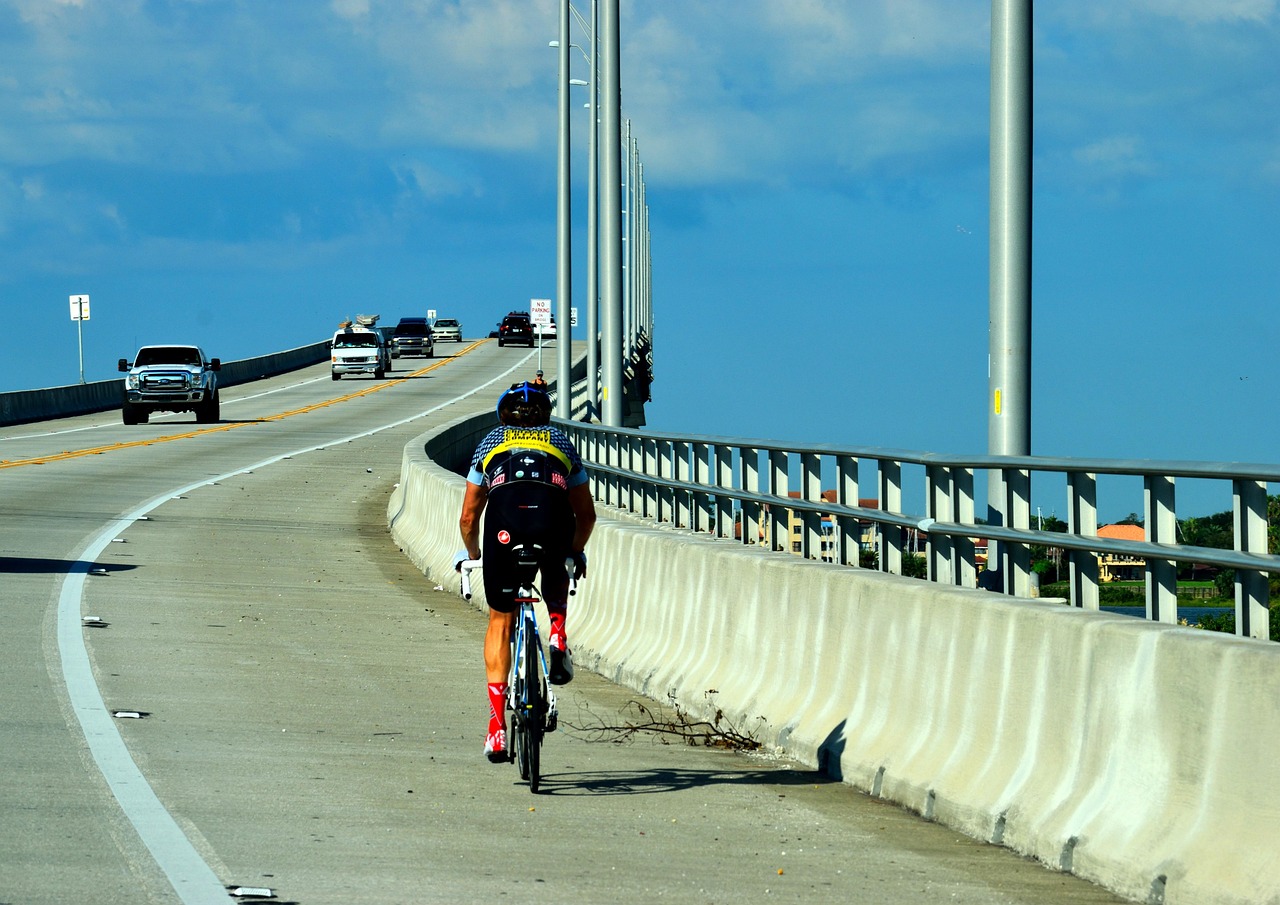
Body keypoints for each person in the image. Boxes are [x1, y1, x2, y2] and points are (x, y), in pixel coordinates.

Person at [457, 381, 596, 762]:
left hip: (503, 531)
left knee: (501, 621)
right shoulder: (561, 442)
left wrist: (471, 553)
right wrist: (575, 550)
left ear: (503, 414)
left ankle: (497, 730)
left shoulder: (490, 443)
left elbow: (469, 516)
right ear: (545, 415)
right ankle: (557, 632)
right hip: (552, 523)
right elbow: (586, 515)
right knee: (557, 562)